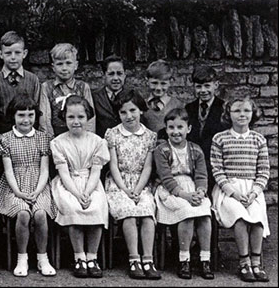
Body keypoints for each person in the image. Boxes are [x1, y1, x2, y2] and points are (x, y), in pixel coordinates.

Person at [0, 94, 56, 277]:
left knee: (40, 214)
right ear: (13, 116)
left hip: (39, 184)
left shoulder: (43, 138)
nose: (26, 120)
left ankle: (42, 257)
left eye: (30, 115)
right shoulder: (4, 139)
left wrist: (37, 191)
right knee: (22, 213)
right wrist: (19, 193)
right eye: (21, 115)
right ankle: (22, 258)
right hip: (14, 186)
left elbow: (44, 170)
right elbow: (8, 171)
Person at [210, 96, 270, 283]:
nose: (242, 115)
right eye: (236, 111)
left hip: (252, 190)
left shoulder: (258, 139)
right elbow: (217, 170)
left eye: (246, 110)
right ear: (229, 114)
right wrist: (233, 192)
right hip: (228, 190)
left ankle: (256, 262)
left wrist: (254, 193)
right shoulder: (220, 138)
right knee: (240, 218)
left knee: (258, 217)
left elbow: (263, 171)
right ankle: (244, 262)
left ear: (253, 114)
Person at [50, 95, 109, 278]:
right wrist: (77, 194)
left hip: (90, 183)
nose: (76, 122)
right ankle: (79, 256)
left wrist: (87, 192)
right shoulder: (58, 142)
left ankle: (92, 256)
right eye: (71, 117)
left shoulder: (97, 142)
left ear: (88, 117)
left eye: (80, 117)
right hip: (68, 184)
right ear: (64, 118)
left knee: (97, 206)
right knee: (73, 207)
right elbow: (64, 173)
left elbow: (95, 171)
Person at [104, 90, 159, 279]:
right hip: (118, 184)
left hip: (141, 183)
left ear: (141, 111)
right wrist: (126, 190)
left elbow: (148, 167)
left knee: (146, 211)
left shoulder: (150, 136)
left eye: (133, 110)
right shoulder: (112, 134)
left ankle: (148, 259)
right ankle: (134, 259)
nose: (129, 116)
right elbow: (113, 166)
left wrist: (137, 189)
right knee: (128, 211)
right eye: (123, 112)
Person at [153, 108, 213, 280]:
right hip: (171, 190)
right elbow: (166, 178)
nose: (176, 132)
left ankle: (204, 259)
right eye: (171, 127)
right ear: (166, 129)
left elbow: (201, 175)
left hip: (192, 187)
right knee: (187, 213)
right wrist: (185, 196)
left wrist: (200, 192)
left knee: (204, 214)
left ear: (189, 128)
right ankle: (184, 259)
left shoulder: (196, 149)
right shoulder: (162, 150)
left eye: (180, 127)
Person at [185, 65, 229, 194]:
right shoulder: (189, 108)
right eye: (198, 86)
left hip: (216, 164)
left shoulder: (224, 108)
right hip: (194, 165)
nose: (203, 90)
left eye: (207, 86)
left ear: (216, 85)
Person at [40, 43, 95, 137]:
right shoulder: (47, 87)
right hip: (56, 135)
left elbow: (90, 117)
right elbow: (45, 118)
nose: (64, 68)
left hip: (79, 135)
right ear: (53, 67)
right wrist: (49, 139)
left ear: (76, 65)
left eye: (68, 63)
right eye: (59, 64)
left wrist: (87, 138)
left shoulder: (82, 87)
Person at [0, 31, 41, 122]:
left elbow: (37, 107)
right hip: (3, 129)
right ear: (1, 54)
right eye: (8, 53)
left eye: (17, 53)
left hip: (27, 127)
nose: (13, 57)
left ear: (24, 53)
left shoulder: (33, 79)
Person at [141, 59, 185, 133]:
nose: (158, 88)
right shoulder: (142, 105)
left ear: (170, 82)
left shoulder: (178, 105)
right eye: (154, 83)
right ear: (147, 81)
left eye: (163, 84)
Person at [93, 55, 127, 138]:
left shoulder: (132, 95)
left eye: (119, 74)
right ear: (104, 75)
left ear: (125, 75)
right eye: (111, 74)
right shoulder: (95, 97)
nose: (116, 78)